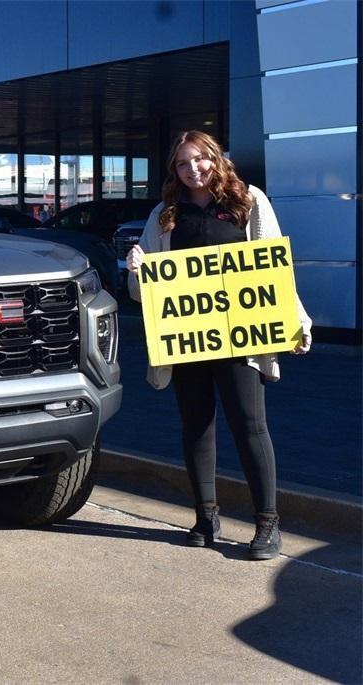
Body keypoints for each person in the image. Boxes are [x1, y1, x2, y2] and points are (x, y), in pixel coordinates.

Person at [126, 130, 312, 560]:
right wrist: (137, 270)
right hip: (190, 341)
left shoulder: (247, 202)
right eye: (183, 164)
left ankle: (267, 523)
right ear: (174, 169)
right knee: (196, 425)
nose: (194, 170)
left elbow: (272, 271)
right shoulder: (165, 215)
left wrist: (297, 322)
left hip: (240, 339)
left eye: (200, 160)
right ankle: (205, 516)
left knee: (250, 425)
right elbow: (144, 294)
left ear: (215, 158)